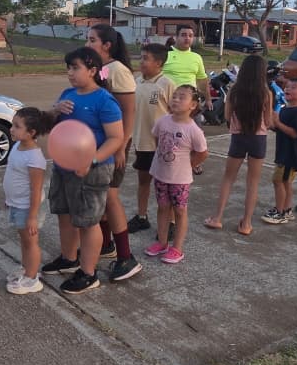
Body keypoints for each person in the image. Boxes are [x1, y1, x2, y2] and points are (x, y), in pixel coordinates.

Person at [41, 47, 125, 294]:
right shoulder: (67, 94)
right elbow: (48, 125)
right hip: (63, 167)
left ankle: (89, 273)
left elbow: (115, 138)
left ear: (92, 71)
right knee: (65, 215)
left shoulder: (104, 100)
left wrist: (93, 160)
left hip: (92, 171)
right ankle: (69, 259)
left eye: (75, 68)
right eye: (68, 68)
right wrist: (55, 111)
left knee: (88, 223)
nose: (70, 73)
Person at [85, 24, 142, 281]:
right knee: (102, 194)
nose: (88, 44)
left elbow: (129, 112)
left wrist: (120, 147)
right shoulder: (105, 69)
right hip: (103, 141)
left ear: (106, 45)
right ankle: (106, 244)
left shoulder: (119, 71)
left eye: (92, 40)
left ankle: (126, 257)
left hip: (116, 143)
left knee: (110, 196)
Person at [204, 54, 272, 235]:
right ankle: (246, 224)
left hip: (238, 138)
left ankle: (217, 217)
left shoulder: (234, 91)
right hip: (259, 139)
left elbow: (226, 117)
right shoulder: (266, 93)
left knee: (228, 178)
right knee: (253, 182)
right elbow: (268, 120)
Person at [144, 84, 208, 264]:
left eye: (182, 97)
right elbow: (157, 139)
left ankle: (177, 248)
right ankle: (162, 242)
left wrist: (189, 165)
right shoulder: (163, 121)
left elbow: (202, 152)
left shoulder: (193, 130)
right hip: (160, 173)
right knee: (162, 207)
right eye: (175, 96)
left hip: (180, 179)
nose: (176, 99)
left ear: (193, 105)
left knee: (180, 211)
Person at [3, 107, 51, 295]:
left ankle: (32, 279)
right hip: (17, 203)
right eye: (12, 124)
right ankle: (26, 268)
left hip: (29, 208)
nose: (12, 129)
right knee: (24, 239)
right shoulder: (17, 146)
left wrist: (32, 216)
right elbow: (13, 174)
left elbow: (36, 189)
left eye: (17, 126)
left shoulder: (35, 158)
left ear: (31, 133)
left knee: (31, 242)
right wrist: (9, 199)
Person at [128, 42, 174, 234]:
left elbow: (176, 113)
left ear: (159, 63)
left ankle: (170, 223)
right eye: (141, 57)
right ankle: (141, 216)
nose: (141, 61)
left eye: (146, 58)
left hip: (161, 144)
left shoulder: (167, 84)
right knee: (143, 180)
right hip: (142, 142)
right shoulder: (136, 82)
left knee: (165, 185)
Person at [261, 79, 297, 225]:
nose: (288, 89)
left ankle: (280, 212)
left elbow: (295, 134)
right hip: (283, 152)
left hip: (290, 155)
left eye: (294, 87)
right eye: (287, 87)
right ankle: (287, 209)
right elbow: (281, 130)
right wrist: (273, 124)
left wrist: (278, 123)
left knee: (278, 181)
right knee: (286, 182)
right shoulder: (286, 109)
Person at [163, 24, 212, 110]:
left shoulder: (197, 57)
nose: (187, 38)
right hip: (167, 103)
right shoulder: (164, 54)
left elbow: (202, 81)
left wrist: (208, 99)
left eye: (190, 36)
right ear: (176, 37)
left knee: (195, 123)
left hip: (190, 104)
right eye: (183, 35)